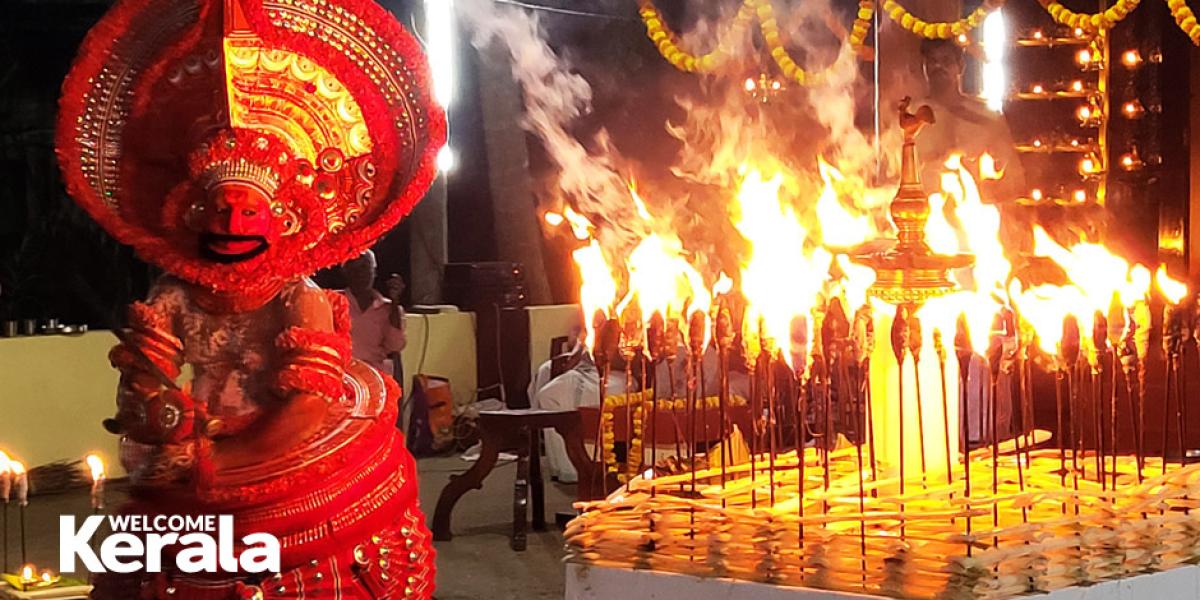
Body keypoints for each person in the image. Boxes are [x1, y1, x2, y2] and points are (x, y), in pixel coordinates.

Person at [56, 0, 445, 596]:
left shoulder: (299, 296)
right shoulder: (174, 295)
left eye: (248, 210)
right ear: (190, 211)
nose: (231, 221)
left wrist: (217, 467)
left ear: (285, 218)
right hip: (195, 446)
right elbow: (145, 377)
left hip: (283, 460)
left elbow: (307, 408)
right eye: (218, 208)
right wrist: (158, 412)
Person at [916, 38, 1026, 203]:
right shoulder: (910, 117)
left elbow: (1014, 180)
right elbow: (892, 174)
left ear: (960, 66)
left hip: (976, 217)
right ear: (924, 67)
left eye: (946, 61)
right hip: (924, 216)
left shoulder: (988, 117)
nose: (938, 67)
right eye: (932, 61)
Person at [341, 250, 408, 374]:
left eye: (365, 268)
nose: (360, 274)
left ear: (374, 272)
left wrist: (395, 303)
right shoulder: (334, 301)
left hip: (375, 375)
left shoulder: (387, 308)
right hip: (342, 373)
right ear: (346, 273)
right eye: (354, 270)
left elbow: (396, 346)